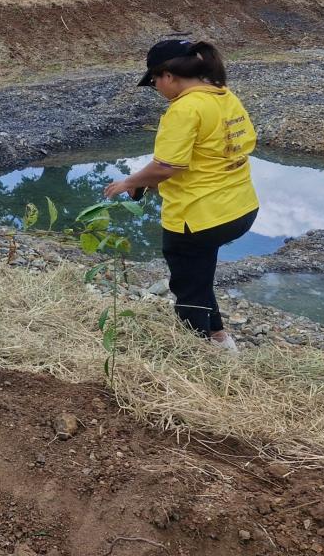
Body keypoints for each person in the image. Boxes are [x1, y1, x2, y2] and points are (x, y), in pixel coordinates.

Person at [104, 39, 258, 354]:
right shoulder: (224, 96)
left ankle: (198, 351)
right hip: (239, 208)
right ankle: (220, 340)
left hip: (198, 216)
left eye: (154, 81)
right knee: (198, 277)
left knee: (187, 287)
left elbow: (167, 165)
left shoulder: (185, 108)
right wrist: (146, 183)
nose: (156, 88)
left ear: (169, 76)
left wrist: (129, 182)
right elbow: (208, 157)